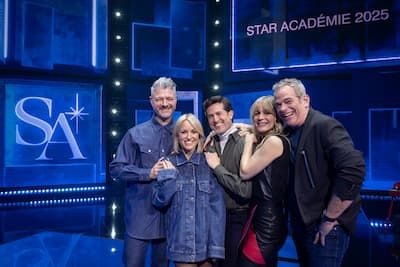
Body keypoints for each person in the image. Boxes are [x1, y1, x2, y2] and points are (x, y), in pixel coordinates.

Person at [273, 78, 365, 267]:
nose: (282, 108)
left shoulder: (325, 126)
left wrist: (330, 218)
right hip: (302, 227)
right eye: (278, 104)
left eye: (288, 101)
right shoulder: (289, 132)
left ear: (305, 100)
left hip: (325, 228)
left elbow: (354, 171)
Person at [109, 77, 177, 267]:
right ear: (151, 101)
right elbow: (116, 168)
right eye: (159, 99)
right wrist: (148, 173)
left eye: (169, 99)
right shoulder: (135, 134)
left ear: (175, 100)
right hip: (140, 216)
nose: (165, 103)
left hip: (170, 216)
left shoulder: (184, 134)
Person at [152, 113, 226, 267]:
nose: (189, 136)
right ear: (177, 136)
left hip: (207, 246)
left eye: (193, 132)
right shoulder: (167, 163)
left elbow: (217, 210)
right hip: (180, 245)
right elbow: (159, 201)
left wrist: (216, 249)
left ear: (199, 135)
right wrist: (170, 177)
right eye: (183, 132)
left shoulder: (209, 163)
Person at [238, 96, 290, 267]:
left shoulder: (274, 141)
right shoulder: (269, 139)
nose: (260, 117)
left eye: (267, 113)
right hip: (261, 215)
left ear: (276, 117)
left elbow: (245, 172)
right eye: (256, 114)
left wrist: (248, 142)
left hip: (267, 220)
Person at [203, 96, 252, 267]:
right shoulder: (209, 143)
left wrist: (217, 167)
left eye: (219, 114)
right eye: (210, 116)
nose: (215, 120)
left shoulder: (245, 140)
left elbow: (246, 190)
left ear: (230, 114)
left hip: (236, 216)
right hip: (211, 217)